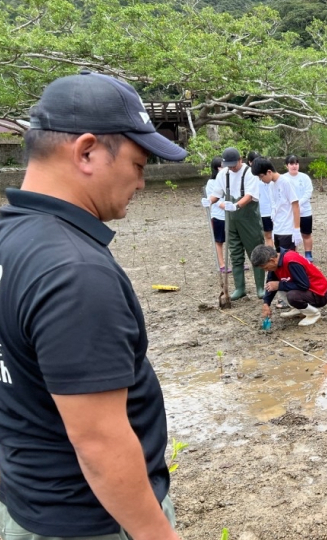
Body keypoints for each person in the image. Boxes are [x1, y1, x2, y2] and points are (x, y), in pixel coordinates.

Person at [0, 70, 183, 538]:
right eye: (139, 165)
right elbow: (99, 441)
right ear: (86, 152)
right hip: (90, 519)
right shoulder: (75, 272)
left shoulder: (10, 238)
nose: (142, 183)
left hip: (26, 500)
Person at [206, 147, 265, 299]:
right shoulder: (223, 174)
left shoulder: (250, 173)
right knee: (235, 253)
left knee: (256, 251)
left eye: (233, 164)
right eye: (228, 165)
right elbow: (216, 194)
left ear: (240, 160)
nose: (231, 168)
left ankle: (260, 287)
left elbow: (250, 195)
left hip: (249, 219)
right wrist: (209, 201)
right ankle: (240, 288)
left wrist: (236, 205)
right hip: (231, 221)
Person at [252, 245, 327, 327]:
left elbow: (304, 285)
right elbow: (270, 284)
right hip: (309, 291)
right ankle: (299, 309)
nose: (266, 270)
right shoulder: (275, 264)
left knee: (291, 295)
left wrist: (279, 285)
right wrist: (266, 303)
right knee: (276, 285)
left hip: (320, 293)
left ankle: (313, 314)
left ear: (272, 260)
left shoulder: (291, 261)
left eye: (265, 267)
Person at [252, 158, 301, 253]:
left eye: (261, 176)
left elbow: (295, 205)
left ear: (269, 172)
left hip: (288, 229)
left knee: (288, 258)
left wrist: (296, 229)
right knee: (279, 257)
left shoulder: (286, 182)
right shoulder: (271, 185)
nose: (261, 180)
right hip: (277, 228)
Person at [284, 155, 315, 262]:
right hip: (290, 212)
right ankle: (294, 255)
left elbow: (308, 192)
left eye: (296, 163)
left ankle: (308, 254)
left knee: (306, 233)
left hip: (305, 210)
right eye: (292, 164)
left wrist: (298, 203)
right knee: (292, 234)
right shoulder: (283, 178)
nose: (294, 166)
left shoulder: (304, 177)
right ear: (287, 165)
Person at [204, 155, 229, 272]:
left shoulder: (228, 180)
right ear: (217, 168)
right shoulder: (211, 182)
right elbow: (212, 197)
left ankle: (237, 262)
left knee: (233, 239)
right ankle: (222, 264)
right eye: (222, 166)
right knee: (219, 241)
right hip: (218, 215)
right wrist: (222, 205)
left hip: (230, 214)